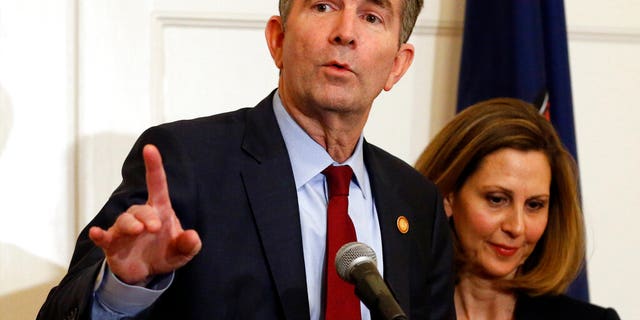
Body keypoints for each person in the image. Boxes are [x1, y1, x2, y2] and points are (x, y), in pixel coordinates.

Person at [38, 0, 455, 319]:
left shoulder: (417, 201)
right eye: (323, 6)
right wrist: (125, 285)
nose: (345, 33)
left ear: (397, 66)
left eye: (371, 16)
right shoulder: (187, 162)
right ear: (278, 40)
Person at [414, 98, 620, 320]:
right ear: (448, 196)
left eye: (534, 205)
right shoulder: (393, 310)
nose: (517, 227)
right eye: (496, 199)